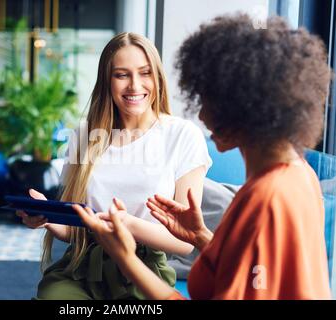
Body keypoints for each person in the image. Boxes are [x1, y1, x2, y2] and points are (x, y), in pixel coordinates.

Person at [74, 14, 332, 300]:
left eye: (208, 100)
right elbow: (255, 273)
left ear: (245, 106)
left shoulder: (265, 200)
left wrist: (126, 258)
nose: (201, 114)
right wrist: (201, 237)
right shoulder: (300, 175)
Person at [16, 32, 212, 299]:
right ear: (107, 81)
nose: (134, 85)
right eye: (121, 75)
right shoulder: (84, 135)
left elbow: (184, 242)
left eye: (145, 73)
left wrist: (125, 224)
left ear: (157, 77)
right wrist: (46, 219)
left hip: (144, 269)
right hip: (81, 267)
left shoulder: (182, 135)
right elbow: (74, 230)